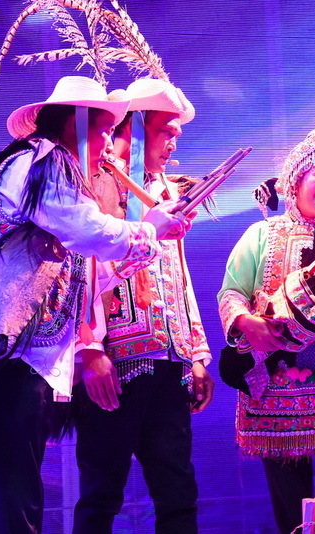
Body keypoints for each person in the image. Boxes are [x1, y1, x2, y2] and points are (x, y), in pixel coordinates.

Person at [0, 75, 188, 534]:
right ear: (74, 124)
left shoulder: (57, 180)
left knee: (16, 503)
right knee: (9, 507)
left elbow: (87, 274)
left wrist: (150, 240)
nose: (109, 145)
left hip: (22, 366)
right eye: (103, 131)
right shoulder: (40, 161)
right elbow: (91, 231)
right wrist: (150, 228)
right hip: (3, 362)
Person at [217, 113, 315, 534]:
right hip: (275, 391)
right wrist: (246, 322)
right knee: (292, 514)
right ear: (295, 180)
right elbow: (231, 293)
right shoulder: (260, 235)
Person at [72, 77, 214, 534]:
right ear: (134, 127)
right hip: (114, 364)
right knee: (101, 495)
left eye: (176, 134)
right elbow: (75, 270)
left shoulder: (166, 193)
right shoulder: (92, 181)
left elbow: (179, 273)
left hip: (169, 362)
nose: (174, 142)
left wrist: (196, 353)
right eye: (165, 131)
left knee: (179, 495)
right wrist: (88, 349)